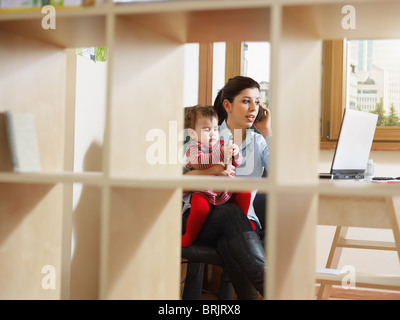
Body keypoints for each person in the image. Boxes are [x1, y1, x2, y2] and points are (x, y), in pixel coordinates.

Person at [182, 76, 271, 300]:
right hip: (202, 216)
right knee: (232, 216)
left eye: (257, 102)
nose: (253, 108)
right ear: (227, 105)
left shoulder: (258, 141)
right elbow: (178, 179)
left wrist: (267, 131)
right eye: (246, 101)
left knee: (231, 232)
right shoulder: (206, 134)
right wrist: (211, 171)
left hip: (240, 221)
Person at [182, 106, 252, 247]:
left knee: (245, 191)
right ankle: (189, 235)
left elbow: (236, 163)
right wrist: (221, 154)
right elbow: (200, 163)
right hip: (204, 191)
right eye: (207, 130)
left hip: (224, 189)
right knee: (200, 209)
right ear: (193, 133)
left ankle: (243, 221)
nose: (213, 134)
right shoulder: (193, 148)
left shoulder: (220, 144)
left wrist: (235, 153)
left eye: (215, 129)